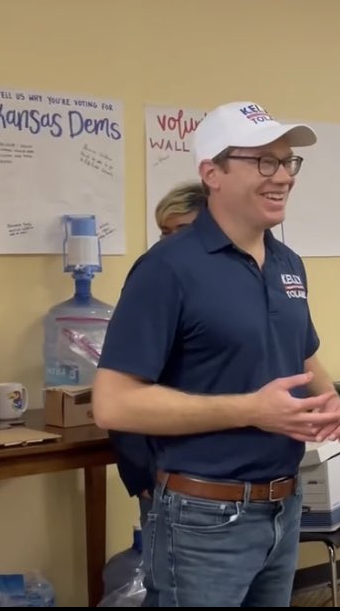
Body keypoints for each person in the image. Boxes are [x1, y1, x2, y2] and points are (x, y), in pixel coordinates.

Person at [93, 101, 340, 608]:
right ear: (212, 173)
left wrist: (333, 402)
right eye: (264, 161)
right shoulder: (167, 269)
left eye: (288, 162)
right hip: (203, 517)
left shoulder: (287, 263)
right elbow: (113, 404)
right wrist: (251, 410)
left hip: (284, 506)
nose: (283, 176)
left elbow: (302, 356)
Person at [108, 182, 208, 543]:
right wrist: (141, 474)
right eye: (166, 232)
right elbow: (123, 382)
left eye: (183, 231)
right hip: (165, 472)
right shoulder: (155, 273)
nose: (171, 242)